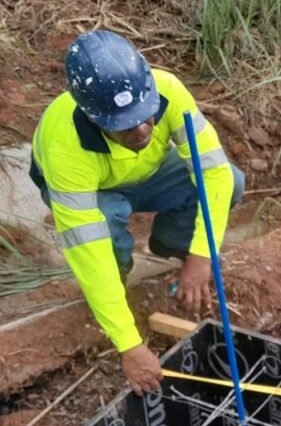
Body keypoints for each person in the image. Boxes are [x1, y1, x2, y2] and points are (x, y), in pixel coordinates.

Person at [30, 30, 245, 395]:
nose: (143, 128)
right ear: (94, 117)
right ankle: (118, 292)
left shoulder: (168, 90)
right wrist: (129, 345)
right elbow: (88, 250)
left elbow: (214, 173)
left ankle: (171, 243)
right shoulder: (65, 148)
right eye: (125, 125)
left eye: (146, 116)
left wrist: (201, 257)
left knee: (233, 181)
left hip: (150, 172)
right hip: (98, 189)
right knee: (107, 230)